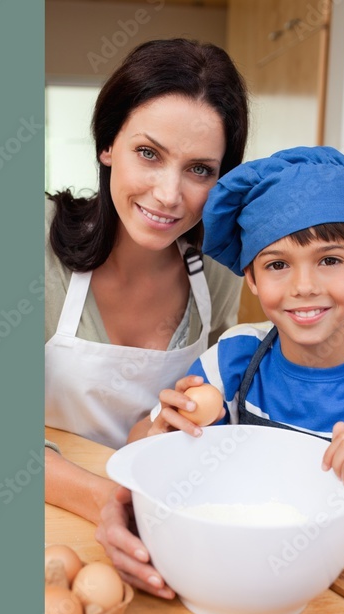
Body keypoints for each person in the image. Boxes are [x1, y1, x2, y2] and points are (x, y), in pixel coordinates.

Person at [104, 145, 344, 597]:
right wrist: (161, 430)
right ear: (251, 279)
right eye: (277, 265)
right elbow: (140, 444)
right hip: (230, 574)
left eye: (330, 260)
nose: (304, 287)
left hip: (340, 594)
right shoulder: (233, 358)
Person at [44, 38, 249, 523]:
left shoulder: (217, 266)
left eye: (200, 169)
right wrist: (110, 504)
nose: (169, 195)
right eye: (149, 154)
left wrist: (161, 427)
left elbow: (202, 409)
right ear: (108, 144)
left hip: (154, 512)